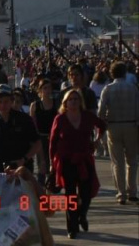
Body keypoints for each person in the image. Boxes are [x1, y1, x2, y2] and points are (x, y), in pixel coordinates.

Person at [50, 88, 106, 239]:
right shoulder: (60, 119)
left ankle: (82, 215)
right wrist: (52, 163)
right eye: (71, 99)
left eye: (76, 99)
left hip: (84, 158)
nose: (73, 101)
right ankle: (72, 227)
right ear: (65, 103)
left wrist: (96, 141)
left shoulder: (87, 116)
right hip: (66, 160)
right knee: (70, 195)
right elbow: (53, 142)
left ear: (80, 102)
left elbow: (102, 125)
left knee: (86, 192)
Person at [97, 61, 138, 205]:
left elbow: (100, 112)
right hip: (131, 125)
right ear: (125, 73)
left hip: (114, 126)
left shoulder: (108, 89)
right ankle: (132, 191)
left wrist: (105, 122)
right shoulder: (133, 88)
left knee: (117, 162)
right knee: (132, 162)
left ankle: (121, 194)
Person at [0, 84, 41, 175]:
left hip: (22, 170)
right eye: (0, 102)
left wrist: (24, 159)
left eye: (6, 101)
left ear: (11, 101)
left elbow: (37, 143)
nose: (3, 105)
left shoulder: (24, 119)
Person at [29, 78, 58, 185]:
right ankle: (41, 185)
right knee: (42, 161)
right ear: (40, 90)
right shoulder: (35, 105)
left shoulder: (55, 104)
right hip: (40, 136)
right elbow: (32, 123)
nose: (47, 90)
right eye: (45, 88)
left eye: (49, 88)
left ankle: (52, 183)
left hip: (53, 136)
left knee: (54, 161)